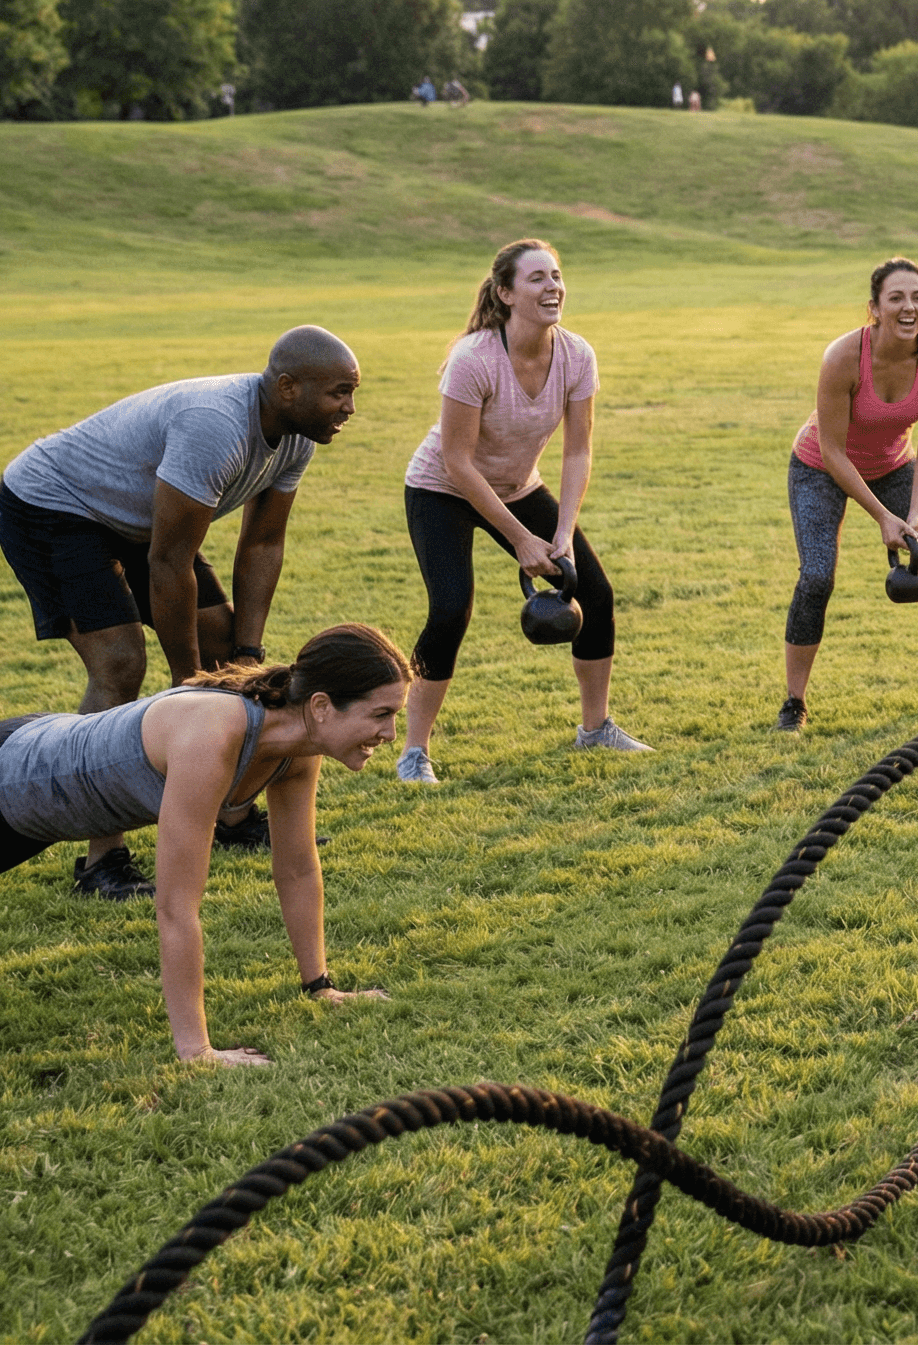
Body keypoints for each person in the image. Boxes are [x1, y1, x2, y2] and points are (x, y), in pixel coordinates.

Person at [0, 328, 362, 897]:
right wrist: (187, 684)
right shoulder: (215, 426)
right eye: (339, 393)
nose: (349, 408)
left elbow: (263, 543)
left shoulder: (297, 436)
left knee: (222, 648)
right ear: (288, 387)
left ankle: (232, 817)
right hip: (54, 503)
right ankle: (102, 863)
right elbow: (170, 560)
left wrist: (246, 655)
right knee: (119, 664)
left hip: (135, 520)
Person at [0, 624, 408, 1065]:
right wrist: (197, 1051)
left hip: (37, 783)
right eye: (380, 714)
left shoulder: (297, 748)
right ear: (322, 706)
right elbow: (176, 906)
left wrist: (321, 986)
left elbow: (297, 869)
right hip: (15, 776)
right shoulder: (211, 737)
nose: (389, 733)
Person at [399, 239, 647, 780]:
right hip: (441, 488)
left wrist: (561, 531)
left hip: (517, 484)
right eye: (536, 278)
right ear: (507, 293)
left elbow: (579, 449)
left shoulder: (577, 355)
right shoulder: (474, 360)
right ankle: (414, 751)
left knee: (595, 592)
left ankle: (595, 729)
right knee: (450, 607)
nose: (552, 286)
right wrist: (520, 540)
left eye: (556, 276)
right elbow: (459, 463)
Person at [780, 257, 918, 728]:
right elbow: (832, 451)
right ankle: (794, 702)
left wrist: (917, 511)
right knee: (818, 575)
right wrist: (884, 516)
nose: (909, 308)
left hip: (893, 464)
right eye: (896, 298)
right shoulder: (843, 357)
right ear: (875, 308)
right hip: (820, 466)